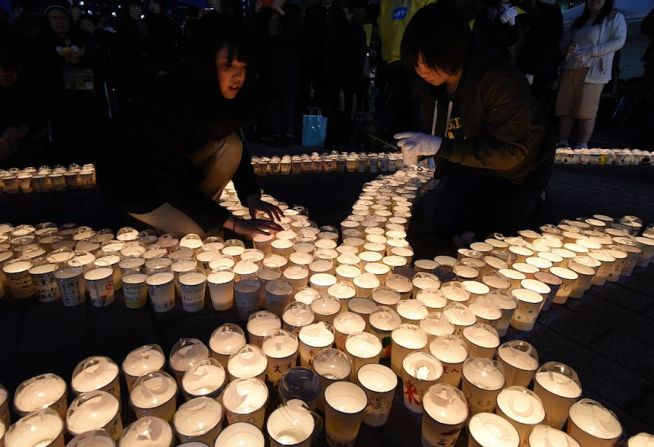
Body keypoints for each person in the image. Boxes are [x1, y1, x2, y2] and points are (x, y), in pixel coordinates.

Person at [97, 13, 282, 239]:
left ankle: (191, 213)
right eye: (227, 65)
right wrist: (232, 222)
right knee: (209, 233)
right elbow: (169, 179)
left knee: (231, 144)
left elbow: (236, 147)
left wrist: (251, 195)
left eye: (243, 66)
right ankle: (155, 218)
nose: (238, 76)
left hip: (171, 175)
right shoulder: (170, 101)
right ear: (206, 63)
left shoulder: (213, 95)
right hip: (136, 185)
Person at [394, 1, 553, 245]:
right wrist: (427, 153)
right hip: (473, 162)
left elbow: (512, 151)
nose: (420, 71)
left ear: (452, 51)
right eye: (416, 63)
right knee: (446, 224)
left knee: (494, 236)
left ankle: (531, 201)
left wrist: (440, 146)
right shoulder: (432, 81)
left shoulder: (501, 80)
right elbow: (437, 128)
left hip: (519, 167)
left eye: (426, 62)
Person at [555, 0, 626, 149]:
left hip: (593, 69)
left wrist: (591, 51)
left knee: (586, 109)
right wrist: (567, 49)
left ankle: (582, 144)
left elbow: (618, 41)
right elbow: (565, 42)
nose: (594, 2)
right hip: (571, 66)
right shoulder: (580, 21)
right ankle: (562, 141)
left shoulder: (613, 17)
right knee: (565, 107)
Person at [517, 0, 563, 113]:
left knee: (529, 107)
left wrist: (531, 70)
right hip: (539, 69)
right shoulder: (550, 12)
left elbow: (545, 44)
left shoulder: (548, 13)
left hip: (537, 71)